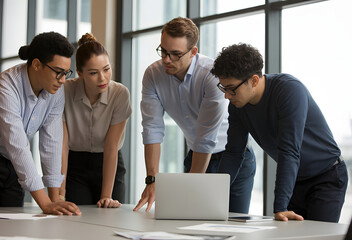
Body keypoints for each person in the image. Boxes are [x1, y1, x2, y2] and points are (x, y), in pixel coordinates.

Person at [211, 43, 348, 223]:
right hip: (295, 180)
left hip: (326, 177)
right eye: (223, 88)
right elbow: (234, 153)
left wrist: (280, 207)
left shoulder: (289, 90)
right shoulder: (238, 106)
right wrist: (213, 199)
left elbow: (289, 151)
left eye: (231, 88)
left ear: (253, 80)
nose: (227, 96)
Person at [133, 17, 256, 213]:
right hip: (196, 155)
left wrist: (191, 189)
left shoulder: (212, 75)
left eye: (175, 54)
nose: (166, 59)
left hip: (234, 156)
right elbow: (152, 128)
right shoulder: (152, 75)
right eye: (163, 51)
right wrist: (152, 179)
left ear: (193, 52)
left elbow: (205, 137)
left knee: (233, 225)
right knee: (192, 222)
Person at [0, 32, 81, 215]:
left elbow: (51, 144)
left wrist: (55, 200)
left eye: (66, 73)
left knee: (13, 227)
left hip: (13, 166)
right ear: (37, 64)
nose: (63, 80)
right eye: (58, 72)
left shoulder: (56, 92)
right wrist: (45, 204)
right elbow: (18, 146)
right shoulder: (5, 86)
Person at [61, 33, 131, 208]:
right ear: (79, 73)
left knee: (109, 216)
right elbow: (61, 146)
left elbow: (111, 146)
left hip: (108, 162)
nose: (102, 78)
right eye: (93, 73)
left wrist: (106, 196)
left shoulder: (119, 93)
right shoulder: (64, 92)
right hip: (74, 165)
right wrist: (59, 195)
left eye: (106, 69)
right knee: (76, 218)